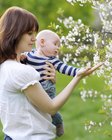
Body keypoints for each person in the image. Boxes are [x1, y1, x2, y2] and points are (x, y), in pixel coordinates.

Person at [0, 6, 103, 140]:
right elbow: (52, 108)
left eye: (34, 34)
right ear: (15, 33)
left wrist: (46, 81)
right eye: (29, 33)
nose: (34, 39)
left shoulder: (5, 65)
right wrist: (78, 77)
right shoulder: (21, 71)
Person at [23, 29, 80, 137]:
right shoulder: (28, 55)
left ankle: (58, 122)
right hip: (33, 87)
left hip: (47, 88)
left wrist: (78, 72)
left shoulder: (52, 60)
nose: (58, 48)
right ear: (43, 42)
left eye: (59, 46)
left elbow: (64, 68)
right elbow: (20, 64)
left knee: (51, 111)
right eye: (55, 44)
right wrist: (22, 59)